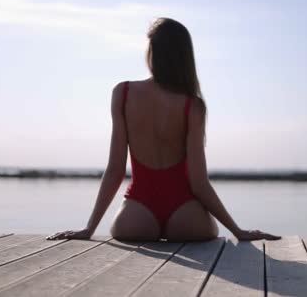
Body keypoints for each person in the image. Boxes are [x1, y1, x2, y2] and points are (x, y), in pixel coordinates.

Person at [47, 18, 281, 242]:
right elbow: (199, 183)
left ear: (152, 51)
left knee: (125, 227)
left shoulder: (123, 93)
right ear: (184, 56)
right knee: (209, 229)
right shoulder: (192, 105)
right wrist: (238, 231)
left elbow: (115, 170)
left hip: (136, 217)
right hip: (187, 217)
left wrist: (89, 229)